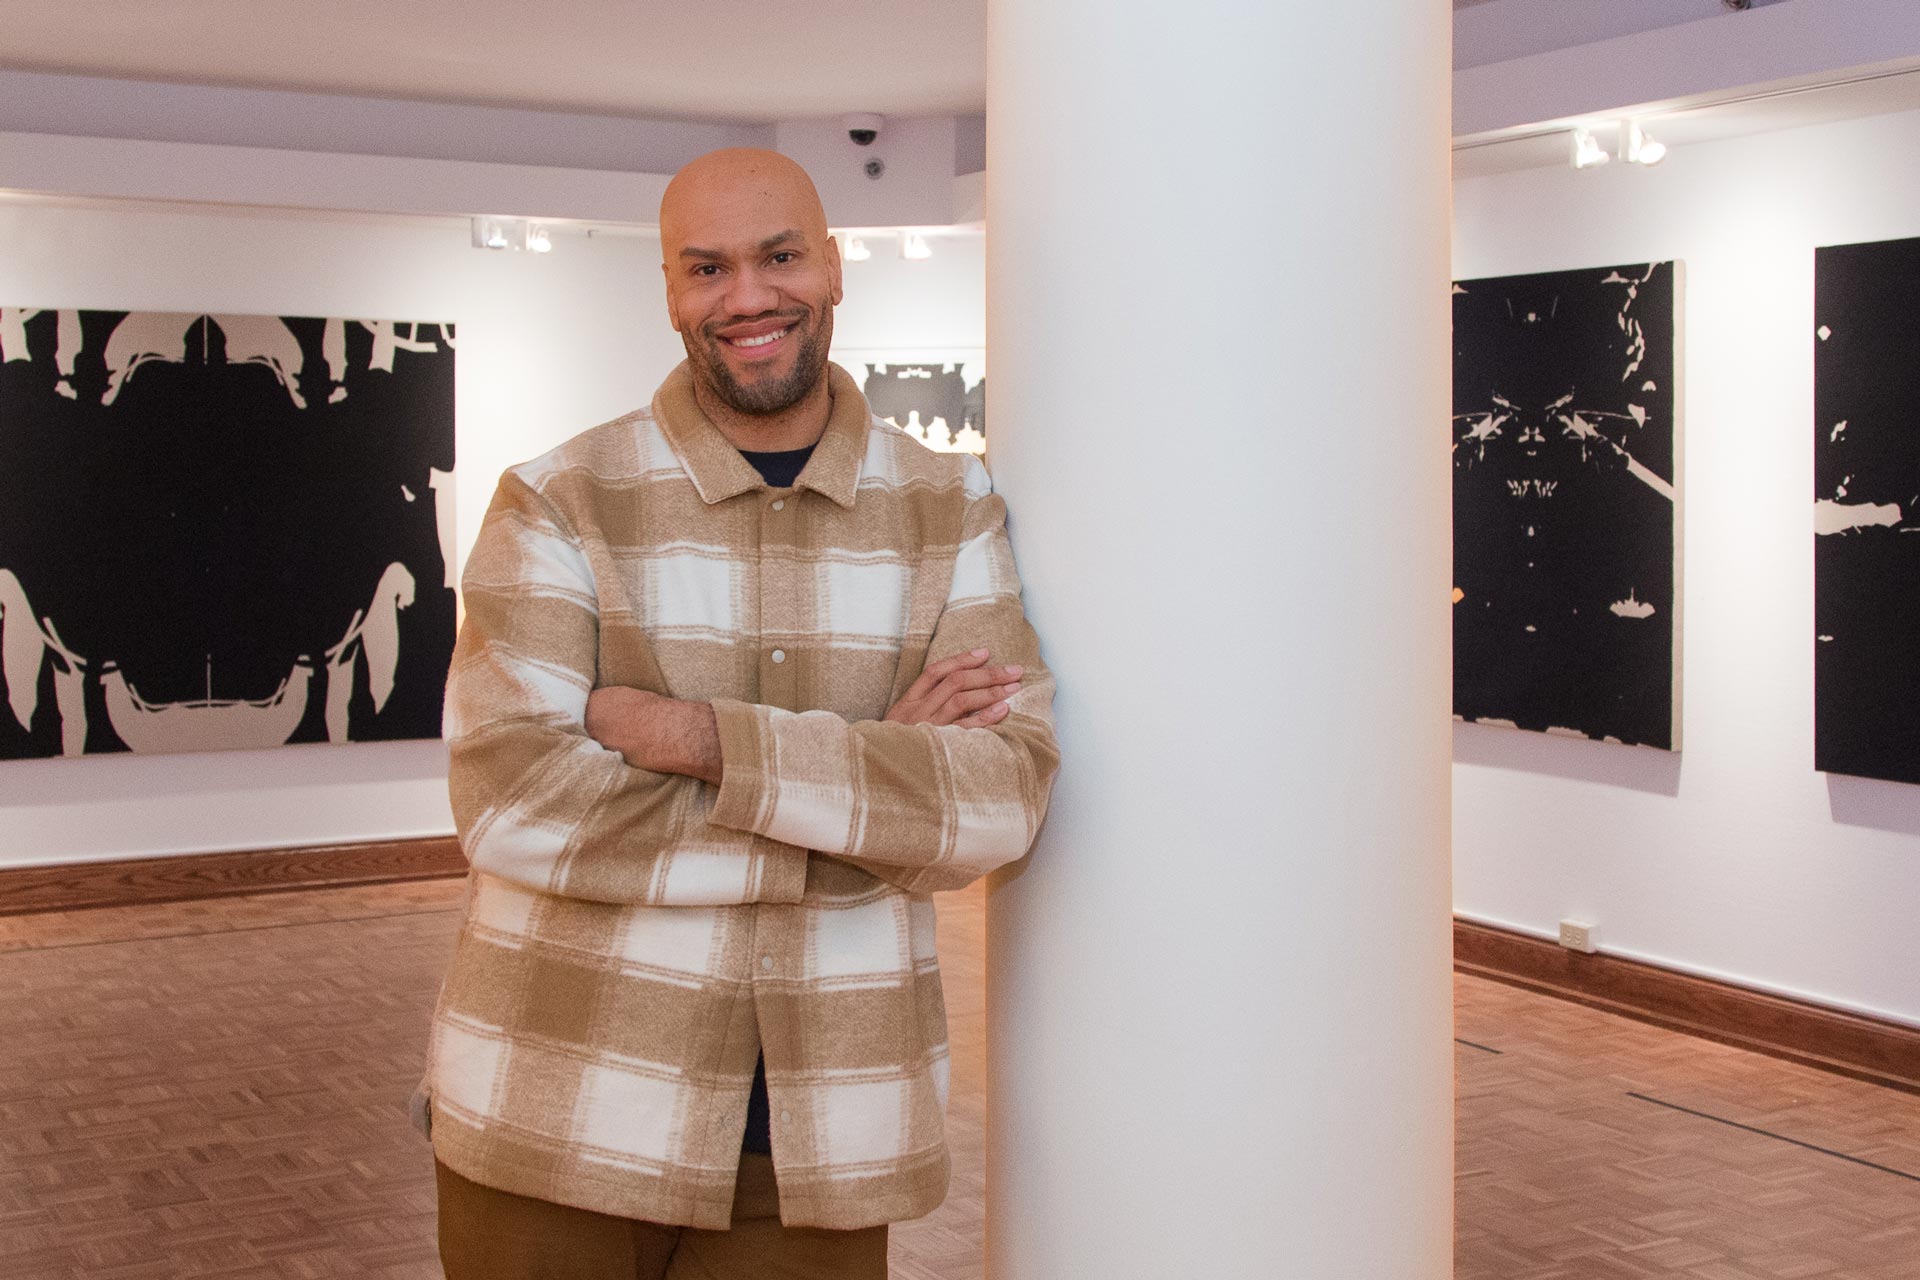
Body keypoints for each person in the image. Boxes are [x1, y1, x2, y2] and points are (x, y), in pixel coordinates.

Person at [419, 148, 1058, 1278]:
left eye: (778, 257)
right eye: (706, 268)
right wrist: (870, 802)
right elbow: (515, 804)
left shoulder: (949, 507)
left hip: (827, 1134)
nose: (748, 297)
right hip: (551, 1110)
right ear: (670, 290)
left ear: (835, 265)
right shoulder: (558, 500)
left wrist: (698, 738)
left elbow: (1001, 798)